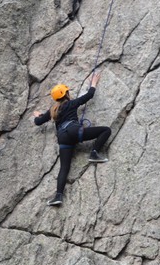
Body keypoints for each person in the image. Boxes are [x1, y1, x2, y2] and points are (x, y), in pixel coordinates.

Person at [33, 72, 111, 206]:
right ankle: (94, 153)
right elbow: (89, 95)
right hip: (74, 131)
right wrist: (93, 83)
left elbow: (38, 122)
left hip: (63, 138)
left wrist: (37, 115)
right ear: (67, 94)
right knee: (106, 130)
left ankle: (58, 196)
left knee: (64, 167)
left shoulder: (53, 110)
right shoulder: (71, 103)